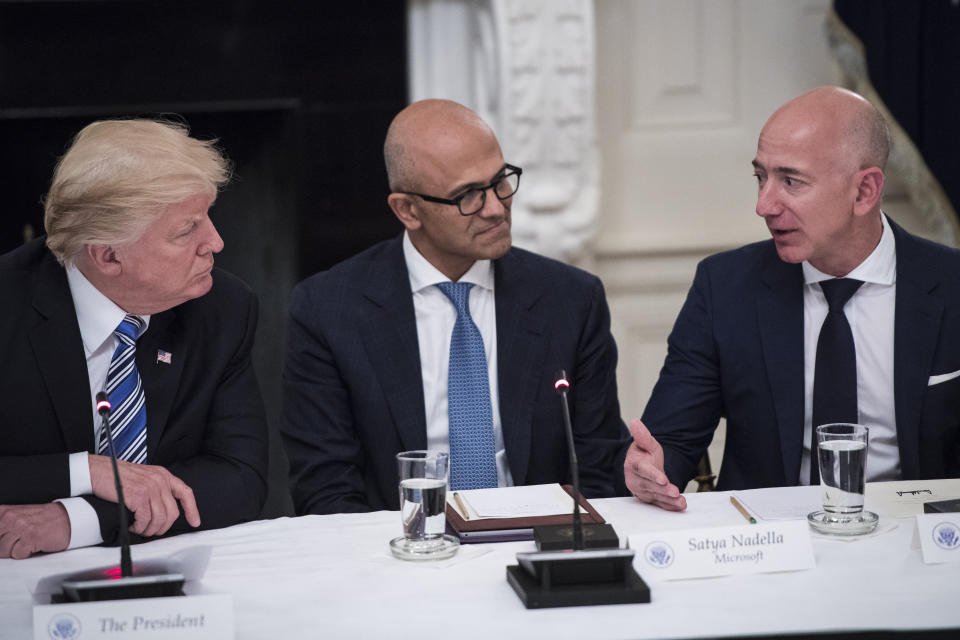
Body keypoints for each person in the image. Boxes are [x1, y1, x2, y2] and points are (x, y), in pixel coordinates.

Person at [283, 99, 629, 515]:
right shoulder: (327, 310)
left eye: (500, 181)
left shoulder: (571, 300)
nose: (496, 208)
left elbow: (599, 468)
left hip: (539, 543)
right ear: (408, 210)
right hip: (399, 551)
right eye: (467, 196)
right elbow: (325, 490)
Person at [625, 86, 960, 511]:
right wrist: (650, 469)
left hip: (920, 542)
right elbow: (671, 439)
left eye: (791, 181)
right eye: (760, 177)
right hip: (771, 543)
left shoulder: (950, 285)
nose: (764, 205)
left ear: (864, 191)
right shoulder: (726, 287)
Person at [0, 119, 268, 558]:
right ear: (107, 255)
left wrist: (79, 519)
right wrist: (85, 473)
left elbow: (238, 477)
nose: (216, 243)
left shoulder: (223, 308)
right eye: (187, 230)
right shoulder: (9, 307)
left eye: (208, 218)